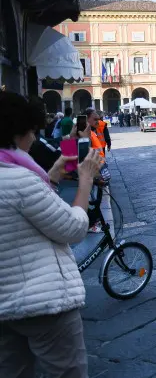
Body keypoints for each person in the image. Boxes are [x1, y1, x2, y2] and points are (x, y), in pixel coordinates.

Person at [0, 91, 102, 378]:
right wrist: (84, 175)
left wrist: (57, 170)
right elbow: (71, 227)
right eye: (31, 130)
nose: (34, 136)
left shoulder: (83, 131)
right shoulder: (22, 171)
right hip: (41, 301)